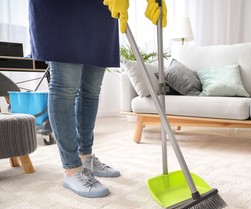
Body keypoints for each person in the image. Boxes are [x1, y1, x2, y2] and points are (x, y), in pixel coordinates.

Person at [28, 0, 167, 198]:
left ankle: (86, 157)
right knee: (65, 86)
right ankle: (72, 168)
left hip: (102, 7)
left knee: (91, 90)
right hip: (63, 7)